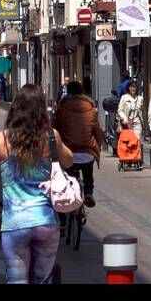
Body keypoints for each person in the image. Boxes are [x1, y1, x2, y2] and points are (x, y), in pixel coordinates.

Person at [0, 84, 75, 284]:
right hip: (46, 221)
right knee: (43, 279)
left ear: (15, 108)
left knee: (17, 280)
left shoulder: (0, 140)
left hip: (14, 223)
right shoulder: (50, 136)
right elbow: (69, 161)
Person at [54, 79, 103, 207]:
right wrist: (98, 147)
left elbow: (56, 130)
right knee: (88, 174)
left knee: (66, 177)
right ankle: (88, 192)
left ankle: (64, 219)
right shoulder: (91, 109)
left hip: (68, 153)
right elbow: (97, 131)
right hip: (87, 153)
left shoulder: (62, 108)